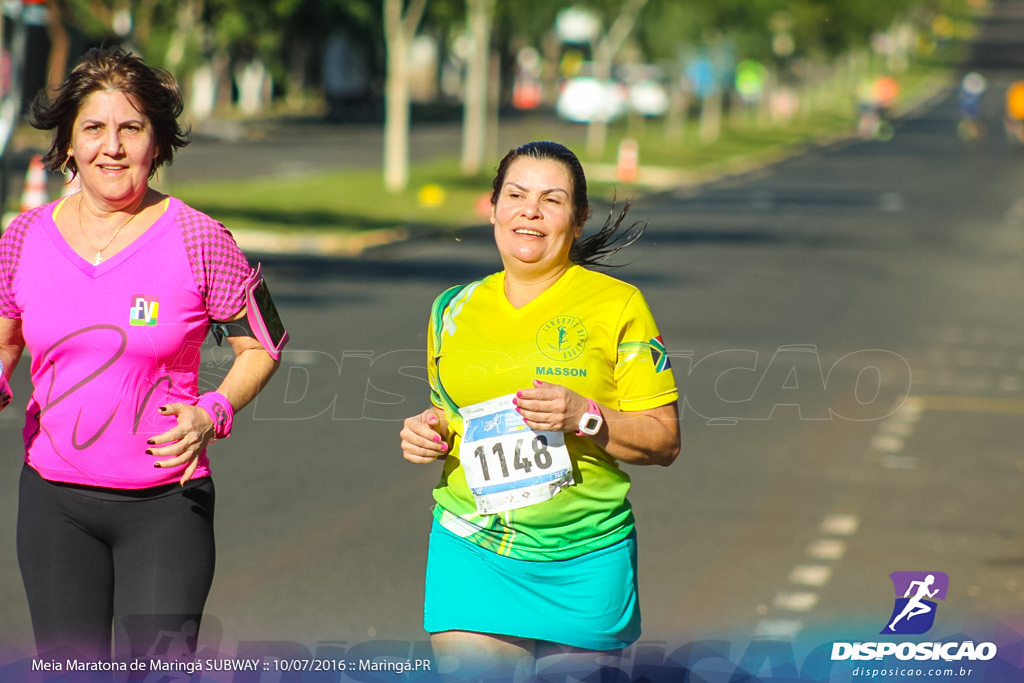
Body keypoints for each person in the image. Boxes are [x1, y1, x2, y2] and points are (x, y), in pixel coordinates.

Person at [0, 47, 287, 663]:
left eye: (131, 128)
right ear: (68, 144)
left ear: (156, 143)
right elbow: (6, 339)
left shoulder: (198, 235)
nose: (113, 146)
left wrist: (213, 410)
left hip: (166, 507)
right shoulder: (23, 238)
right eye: (94, 128)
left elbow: (262, 345)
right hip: (54, 505)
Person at [400, 141, 680, 680]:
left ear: (578, 220)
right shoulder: (450, 308)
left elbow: (664, 441)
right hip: (472, 544)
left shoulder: (617, 305)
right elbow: (449, 413)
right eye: (516, 195)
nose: (530, 210)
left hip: (585, 555)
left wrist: (584, 417)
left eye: (552, 200)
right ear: (493, 207)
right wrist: (426, 430)